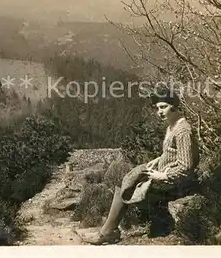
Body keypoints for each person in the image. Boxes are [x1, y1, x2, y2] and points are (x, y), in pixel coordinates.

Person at [80, 88, 200, 245]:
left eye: (163, 107)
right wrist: (159, 159)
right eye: (157, 108)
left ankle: (108, 232)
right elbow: (175, 152)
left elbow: (186, 165)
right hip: (164, 171)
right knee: (129, 177)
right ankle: (110, 230)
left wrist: (163, 176)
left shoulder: (183, 130)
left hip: (175, 181)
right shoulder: (172, 126)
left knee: (127, 186)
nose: (159, 112)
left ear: (174, 105)